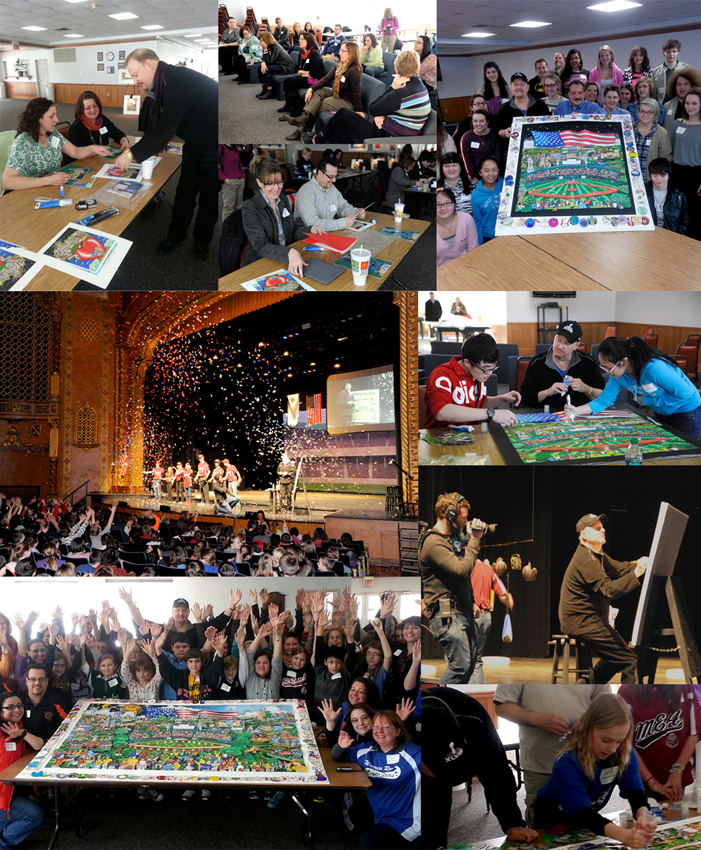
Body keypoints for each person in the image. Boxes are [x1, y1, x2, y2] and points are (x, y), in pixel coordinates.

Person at [112, 48, 218, 261]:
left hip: (216, 149)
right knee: (183, 195)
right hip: (193, 145)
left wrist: (130, 156)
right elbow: (156, 126)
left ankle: (201, 241)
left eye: (135, 74)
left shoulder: (178, 80)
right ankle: (176, 236)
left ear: (149, 65)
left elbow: (166, 129)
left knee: (209, 200)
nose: (134, 81)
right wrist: (136, 150)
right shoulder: (159, 86)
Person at [422, 687, 539, 850]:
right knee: (430, 833)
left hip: (470, 739)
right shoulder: (393, 731)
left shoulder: (472, 717)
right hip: (423, 779)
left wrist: (512, 824)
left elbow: (497, 773)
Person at [534, 693, 656, 849]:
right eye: (606, 740)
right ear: (588, 729)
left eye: (619, 741)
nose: (612, 749)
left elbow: (635, 792)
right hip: (552, 822)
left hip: (586, 824)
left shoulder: (624, 753)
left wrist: (643, 815)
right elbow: (583, 815)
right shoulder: (567, 764)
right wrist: (625, 836)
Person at [494, 685, 611, 827]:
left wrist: (588, 719)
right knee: (543, 828)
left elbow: (605, 701)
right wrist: (537, 720)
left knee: (585, 823)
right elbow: (502, 706)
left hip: (584, 762)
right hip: (541, 765)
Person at [558, 514, 649, 685]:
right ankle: (629, 705)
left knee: (617, 657)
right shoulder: (585, 560)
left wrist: (641, 563)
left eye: (602, 527)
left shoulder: (597, 554)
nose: (603, 530)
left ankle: (584, 687)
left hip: (588, 619)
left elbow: (619, 568)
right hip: (581, 621)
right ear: (583, 535)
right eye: (597, 528)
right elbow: (609, 589)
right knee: (630, 661)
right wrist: (637, 572)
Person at [565, 336, 701, 439]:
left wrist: (647, 401)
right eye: (603, 367)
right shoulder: (617, 375)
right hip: (662, 411)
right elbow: (604, 400)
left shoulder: (655, 368)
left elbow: (685, 394)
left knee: (682, 454)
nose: (606, 371)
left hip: (686, 412)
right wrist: (576, 411)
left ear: (623, 362)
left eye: (607, 367)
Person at [301, 50, 430, 145]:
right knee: (338, 131)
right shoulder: (421, 87)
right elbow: (393, 108)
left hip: (385, 135)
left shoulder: (400, 92)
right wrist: (382, 114)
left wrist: (391, 87)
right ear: (417, 68)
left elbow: (372, 109)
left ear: (396, 69)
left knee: (342, 114)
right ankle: (320, 141)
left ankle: (317, 140)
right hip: (397, 132)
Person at [333, 711, 420, 848]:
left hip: (406, 821)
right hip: (380, 814)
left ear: (398, 731)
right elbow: (338, 756)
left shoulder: (413, 754)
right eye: (376, 726)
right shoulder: (366, 750)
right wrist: (340, 746)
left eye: (386, 727)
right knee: (357, 811)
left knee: (368, 841)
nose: (380, 731)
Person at [3, 97, 109, 191]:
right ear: (38, 118)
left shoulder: (53, 133)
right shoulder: (23, 143)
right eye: (51, 116)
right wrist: (48, 180)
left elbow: (75, 151)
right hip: (29, 192)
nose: (57, 119)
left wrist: (92, 148)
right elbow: (7, 182)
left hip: (54, 187)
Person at [241, 159, 323, 278]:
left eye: (279, 182)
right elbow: (261, 246)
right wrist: (289, 252)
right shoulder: (250, 208)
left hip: (286, 258)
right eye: (270, 183)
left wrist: (311, 230)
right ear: (259, 182)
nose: (276, 188)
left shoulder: (283, 200)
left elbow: (293, 231)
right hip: (262, 262)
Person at [619, 685, 701, 802]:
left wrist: (677, 771)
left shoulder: (684, 687)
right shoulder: (627, 691)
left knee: (675, 814)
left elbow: (693, 733)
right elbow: (625, 743)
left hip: (675, 773)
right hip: (642, 775)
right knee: (645, 813)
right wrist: (651, 782)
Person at [425, 332, 520, 428]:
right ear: (467, 362)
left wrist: (502, 398)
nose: (489, 373)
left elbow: (479, 403)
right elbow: (441, 412)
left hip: (467, 434)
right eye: (485, 369)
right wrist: (491, 413)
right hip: (440, 435)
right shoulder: (442, 374)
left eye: (493, 368)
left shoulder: (476, 374)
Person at [285, 41, 363, 140]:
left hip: (346, 101)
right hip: (337, 92)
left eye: (343, 51)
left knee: (317, 104)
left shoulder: (354, 71)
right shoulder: (340, 65)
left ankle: (301, 129)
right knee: (316, 93)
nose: (339, 53)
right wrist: (311, 88)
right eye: (340, 50)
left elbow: (357, 93)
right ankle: (303, 122)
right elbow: (326, 79)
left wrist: (359, 110)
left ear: (351, 53)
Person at [519, 321, 605, 410]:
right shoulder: (537, 362)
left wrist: (587, 389)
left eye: (566, 343)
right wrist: (547, 392)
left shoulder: (588, 362)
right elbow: (524, 398)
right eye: (558, 340)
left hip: (579, 416)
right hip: (546, 417)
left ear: (576, 345)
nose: (560, 346)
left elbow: (604, 397)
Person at [0, 691, 45, 848]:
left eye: (19, 705)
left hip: (13, 788)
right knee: (34, 815)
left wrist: (22, 733)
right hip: (2, 794)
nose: (17, 710)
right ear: (1, 711)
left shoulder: (22, 725)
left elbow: (40, 745)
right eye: (10, 707)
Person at [470, 557, 513, 683]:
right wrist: (509, 600)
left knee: (463, 657)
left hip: (472, 615)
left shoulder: (466, 567)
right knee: (476, 658)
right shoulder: (489, 570)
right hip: (486, 618)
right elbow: (504, 594)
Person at [295, 155, 366, 229]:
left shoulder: (331, 188)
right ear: (320, 173)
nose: (334, 180)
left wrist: (355, 212)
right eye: (330, 176)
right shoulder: (306, 192)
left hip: (328, 232)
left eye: (335, 176)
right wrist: (340, 223)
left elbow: (342, 206)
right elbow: (311, 223)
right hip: (308, 236)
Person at [670, 85, 701, 240]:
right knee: (677, 210)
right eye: (687, 103)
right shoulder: (677, 124)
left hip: (696, 175)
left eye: (694, 103)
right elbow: (672, 148)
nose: (690, 106)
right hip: (677, 173)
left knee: (694, 214)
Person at [278, 32, 325, 118]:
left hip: (317, 80)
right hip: (308, 77)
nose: (299, 41)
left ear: (308, 41)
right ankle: (288, 105)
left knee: (293, 82)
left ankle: (293, 111)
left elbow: (313, 74)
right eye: (299, 39)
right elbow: (299, 70)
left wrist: (302, 73)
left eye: (302, 39)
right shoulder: (302, 53)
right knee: (286, 81)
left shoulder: (315, 54)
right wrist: (304, 73)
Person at [497, 72, 550, 140]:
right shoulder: (504, 109)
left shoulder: (541, 105)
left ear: (528, 87)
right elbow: (498, 131)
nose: (518, 87)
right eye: (515, 84)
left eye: (522, 84)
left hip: (538, 148)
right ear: (511, 87)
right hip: (513, 149)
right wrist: (504, 132)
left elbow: (549, 126)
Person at [436, 186, 477, 267]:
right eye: (438, 205)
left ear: (454, 203)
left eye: (447, 203)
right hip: (442, 272)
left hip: (466, 266)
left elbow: (473, 251)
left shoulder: (466, 218)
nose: (443, 208)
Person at [646, 157, 688, 234]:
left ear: (668, 175)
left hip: (670, 238)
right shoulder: (642, 193)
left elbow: (684, 222)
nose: (659, 179)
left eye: (663, 175)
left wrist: (678, 239)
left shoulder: (678, 196)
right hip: (648, 236)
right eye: (655, 175)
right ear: (650, 175)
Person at [460, 109, 501, 183]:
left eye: (481, 121)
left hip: (493, 175)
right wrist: (474, 178)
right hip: (475, 177)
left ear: (487, 122)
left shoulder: (494, 135)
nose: (478, 124)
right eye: (475, 121)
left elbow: (498, 157)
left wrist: (494, 175)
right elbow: (467, 160)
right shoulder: (467, 137)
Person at [634, 100, 672, 181]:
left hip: (650, 180)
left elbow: (665, 158)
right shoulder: (629, 130)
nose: (645, 115)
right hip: (630, 177)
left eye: (650, 112)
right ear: (638, 112)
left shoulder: (662, 133)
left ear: (655, 114)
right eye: (642, 111)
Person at [471, 158, 504, 245]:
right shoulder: (476, 195)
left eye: (494, 170)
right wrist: (480, 244)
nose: (490, 174)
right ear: (480, 173)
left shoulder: (507, 186)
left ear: (498, 171)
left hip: (509, 234)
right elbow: (477, 221)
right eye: (486, 171)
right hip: (489, 238)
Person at [256, 32, 296, 100]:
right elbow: (264, 59)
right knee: (259, 67)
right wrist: (263, 62)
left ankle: (270, 91)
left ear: (267, 40)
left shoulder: (275, 46)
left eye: (261, 40)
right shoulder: (267, 46)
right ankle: (264, 89)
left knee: (266, 68)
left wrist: (265, 52)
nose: (260, 42)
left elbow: (270, 61)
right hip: (278, 64)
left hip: (286, 67)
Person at [663, 68, 701, 135]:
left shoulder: (699, 105)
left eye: (686, 84)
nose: (682, 87)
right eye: (679, 84)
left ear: (692, 85)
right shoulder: (667, 105)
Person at [652, 39, 690, 104]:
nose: (671, 54)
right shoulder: (656, 72)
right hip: (662, 105)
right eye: (668, 52)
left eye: (674, 51)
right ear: (663, 53)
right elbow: (653, 93)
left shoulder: (686, 68)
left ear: (678, 52)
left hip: (682, 104)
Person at [218, 144, 246, 224]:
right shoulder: (221, 147)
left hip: (240, 180)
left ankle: (236, 230)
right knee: (229, 208)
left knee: (239, 208)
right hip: (229, 182)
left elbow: (239, 163)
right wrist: (225, 178)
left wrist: (243, 177)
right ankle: (227, 232)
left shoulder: (235, 146)